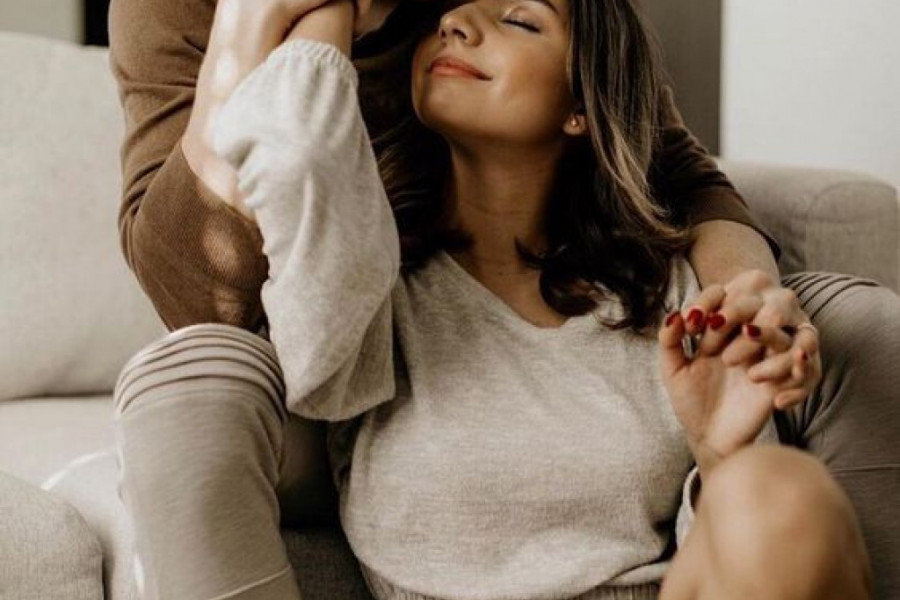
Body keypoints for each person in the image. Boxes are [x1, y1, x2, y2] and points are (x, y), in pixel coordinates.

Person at [109, 0, 900, 598]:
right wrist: (263, 26)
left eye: (518, 18)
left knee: (779, 495)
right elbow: (295, 163)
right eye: (445, 23)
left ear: (581, 106)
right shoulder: (373, 283)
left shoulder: (661, 297)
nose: (456, 24)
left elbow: (674, 164)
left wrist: (725, 430)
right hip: (306, 337)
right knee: (186, 379)